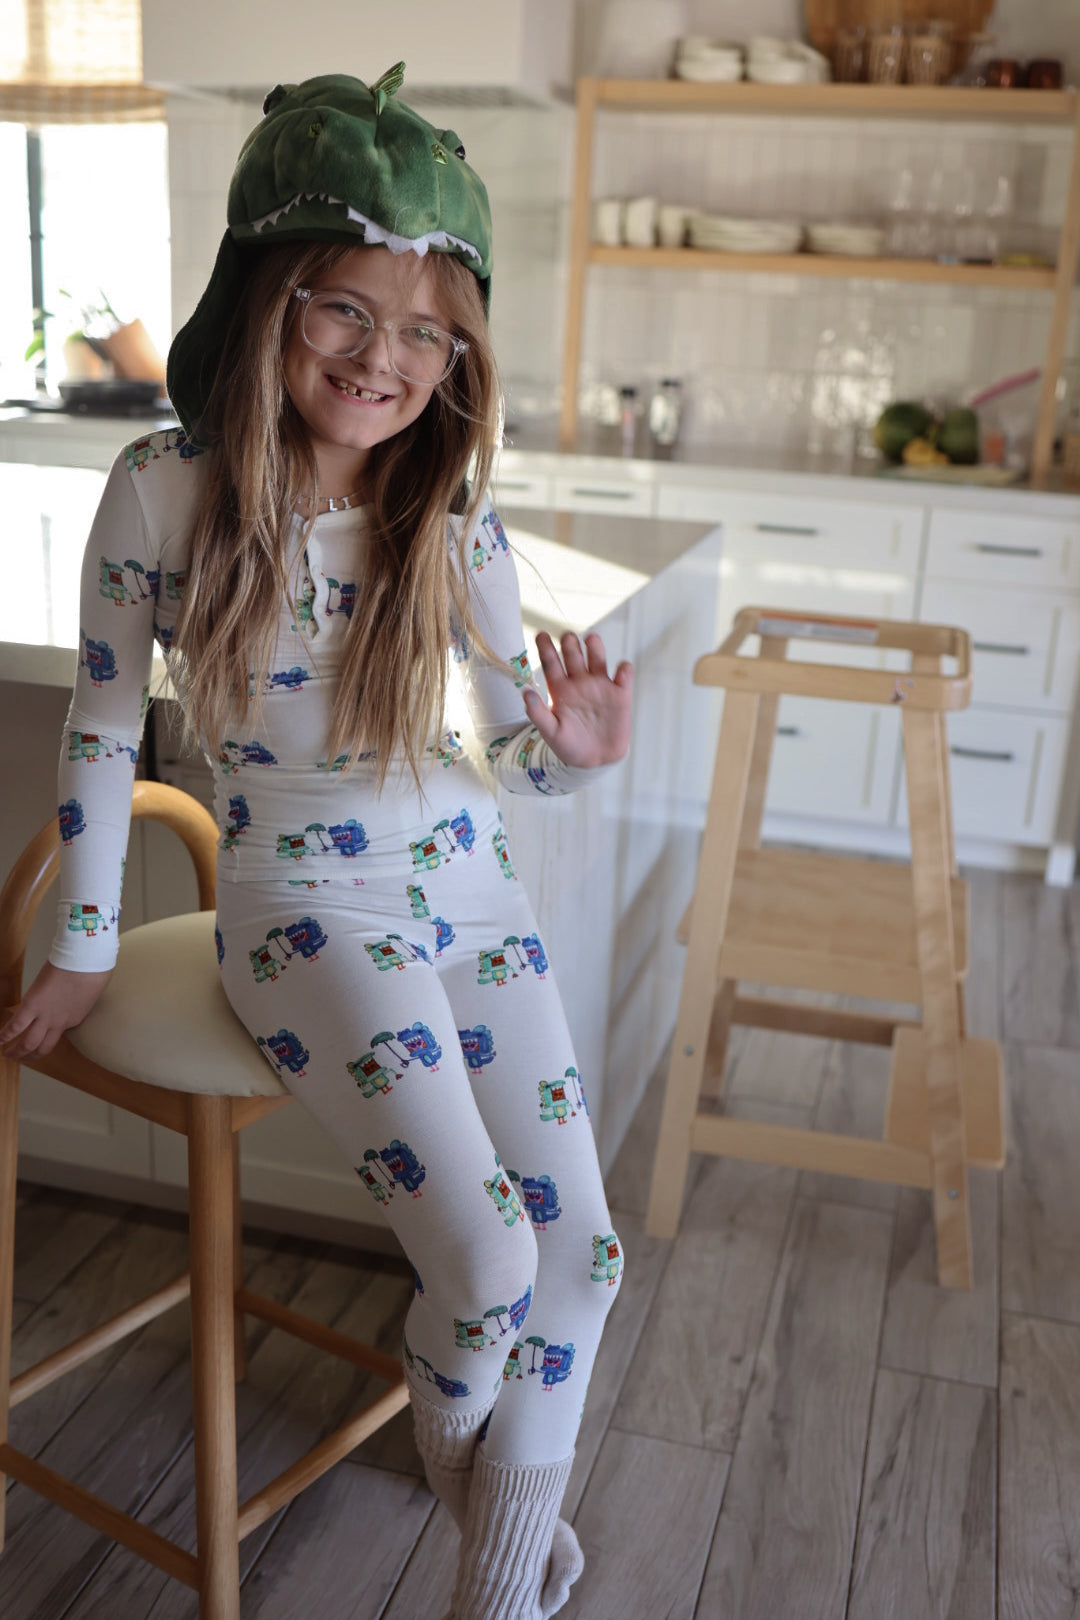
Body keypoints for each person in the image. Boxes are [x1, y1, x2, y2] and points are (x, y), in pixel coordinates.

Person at [0, 66, 632, 1620]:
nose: (387, 359)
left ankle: (491, 1577)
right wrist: (78, 947)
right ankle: (475, 1465)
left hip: (476, 894)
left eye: (427, 331)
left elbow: (498, 761)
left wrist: (569, 759)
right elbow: (98, 726)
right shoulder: (165, 487)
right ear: (272, 297)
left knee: (587, 1258)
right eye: (348, 311)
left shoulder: (455, 514)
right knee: (486, 1263)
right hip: (305, 908)